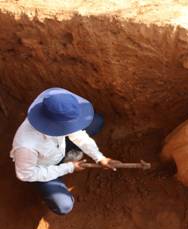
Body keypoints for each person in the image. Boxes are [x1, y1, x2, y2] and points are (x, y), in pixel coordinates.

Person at [10, 87, 121, 215]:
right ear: (54, 124)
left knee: (96, 122)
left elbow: (77, 134)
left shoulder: (54, 116)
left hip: (59, 148)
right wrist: (68, 167)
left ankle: (67, 155)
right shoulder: (27, 146)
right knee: (64, 206)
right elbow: (25, 174)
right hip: (44, 166)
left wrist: (100, 158)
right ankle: (48, 186)